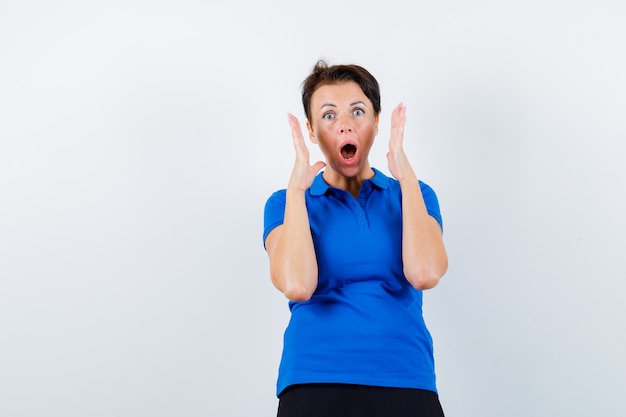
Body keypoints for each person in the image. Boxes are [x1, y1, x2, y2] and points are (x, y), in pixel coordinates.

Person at [263, 60, 448, 417]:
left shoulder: (416, 195)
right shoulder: (286, 203)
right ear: (312, 132)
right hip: (314, 381)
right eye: (329, 115)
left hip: (406, 378)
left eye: (358, 111)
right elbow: (296, 285)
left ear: (376, 122)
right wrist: (298, 191)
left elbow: (425, 273)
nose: (345, 124)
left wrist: (407, 179)